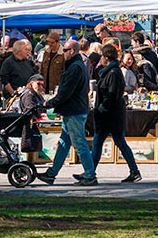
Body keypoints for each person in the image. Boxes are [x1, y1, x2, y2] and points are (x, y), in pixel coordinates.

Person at [36, 39, 97, 186]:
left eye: (64, 50)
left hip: (74, 111)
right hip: (75, 110)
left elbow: (65, 92)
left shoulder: (75, 67)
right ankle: (51, 174)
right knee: (64, 143)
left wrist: (48, 104)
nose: (62, 53)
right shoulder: (78, 65)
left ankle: (90, 175)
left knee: (79, 144)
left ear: (72, 51)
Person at [89, 43, 142, 183]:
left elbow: (112, 94)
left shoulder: (113, 73)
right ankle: (90, 172)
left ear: (106, 57)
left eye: (102, 56)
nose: (101, 59)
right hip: (110, 115)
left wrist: (102, 107)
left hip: (109, 115)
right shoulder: (112, 71)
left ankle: (90, 173)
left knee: (104, 143)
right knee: (105, 143)